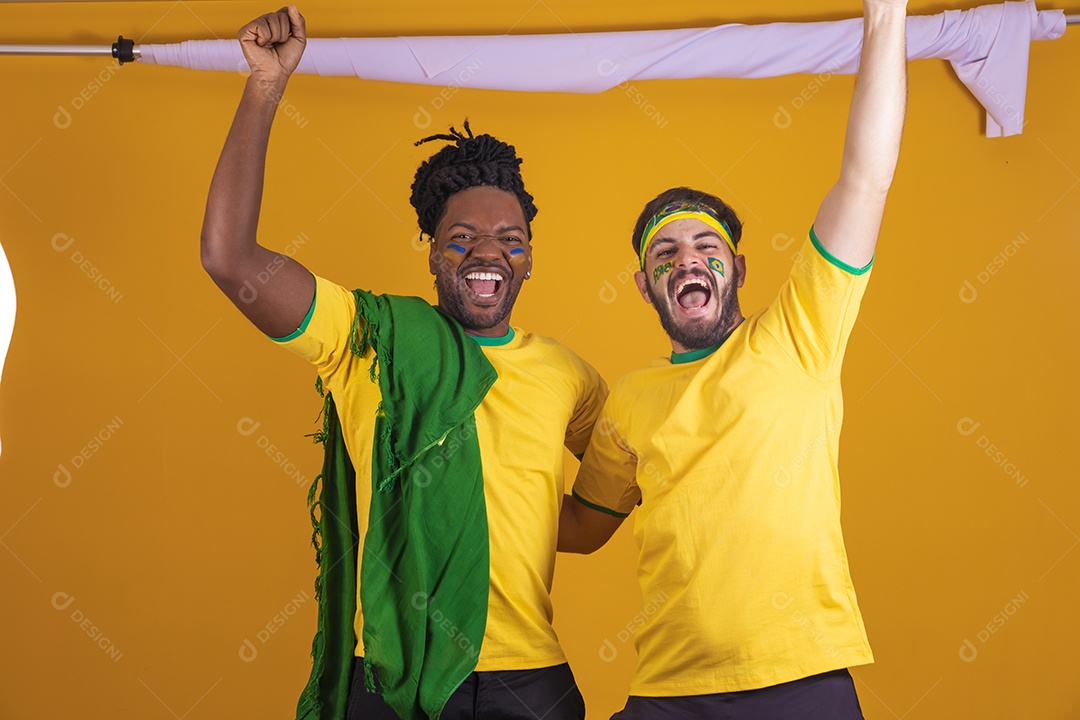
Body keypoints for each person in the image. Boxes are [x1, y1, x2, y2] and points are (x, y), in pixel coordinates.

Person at [201, 7, 606, 720]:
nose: (489, 253)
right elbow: (229, 257)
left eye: (511, 239)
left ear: (531, 257)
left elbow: (591, 516)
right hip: (392, 678)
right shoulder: (366, 339)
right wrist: (265, 86)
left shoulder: (569, 377)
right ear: (429, 248)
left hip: (531, 685)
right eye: (462, 238)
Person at [558, 1, 908, 717]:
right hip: (667, 693)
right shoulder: (629, 398)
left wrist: (887, 16)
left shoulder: (799, 334)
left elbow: (865, 180)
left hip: (800, 680)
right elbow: (583, 530)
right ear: (645, 285)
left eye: (705, 249)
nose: (687, 259)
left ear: (738, 270)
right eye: (666, 253)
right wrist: (458, 500)